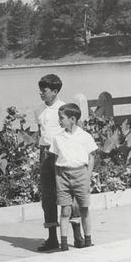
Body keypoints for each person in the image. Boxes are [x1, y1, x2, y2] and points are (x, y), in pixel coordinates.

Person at [35, 74, 82, 251]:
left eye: (44, 90)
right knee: (48, 196)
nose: (41, 93)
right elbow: (41, 132)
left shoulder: (64, 109)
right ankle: (52, 238)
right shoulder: (38, 110)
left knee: (68, 193)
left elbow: (73, 133)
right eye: (40, 90)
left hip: (63, 154)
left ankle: (77, 236)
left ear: (54, 91)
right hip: (45, 154)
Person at [49, 103, 98, 251]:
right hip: (63, 175)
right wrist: (58, 176)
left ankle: (88, 240)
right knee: (65, 210)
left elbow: (91, 157)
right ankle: (64, 244)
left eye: (61, 118)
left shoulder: (85, 136)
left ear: (72, 119)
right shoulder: (58, 138)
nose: (59, 120)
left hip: (81, 174)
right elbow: (55, 158)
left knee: (84, 208)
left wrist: (87, 175)